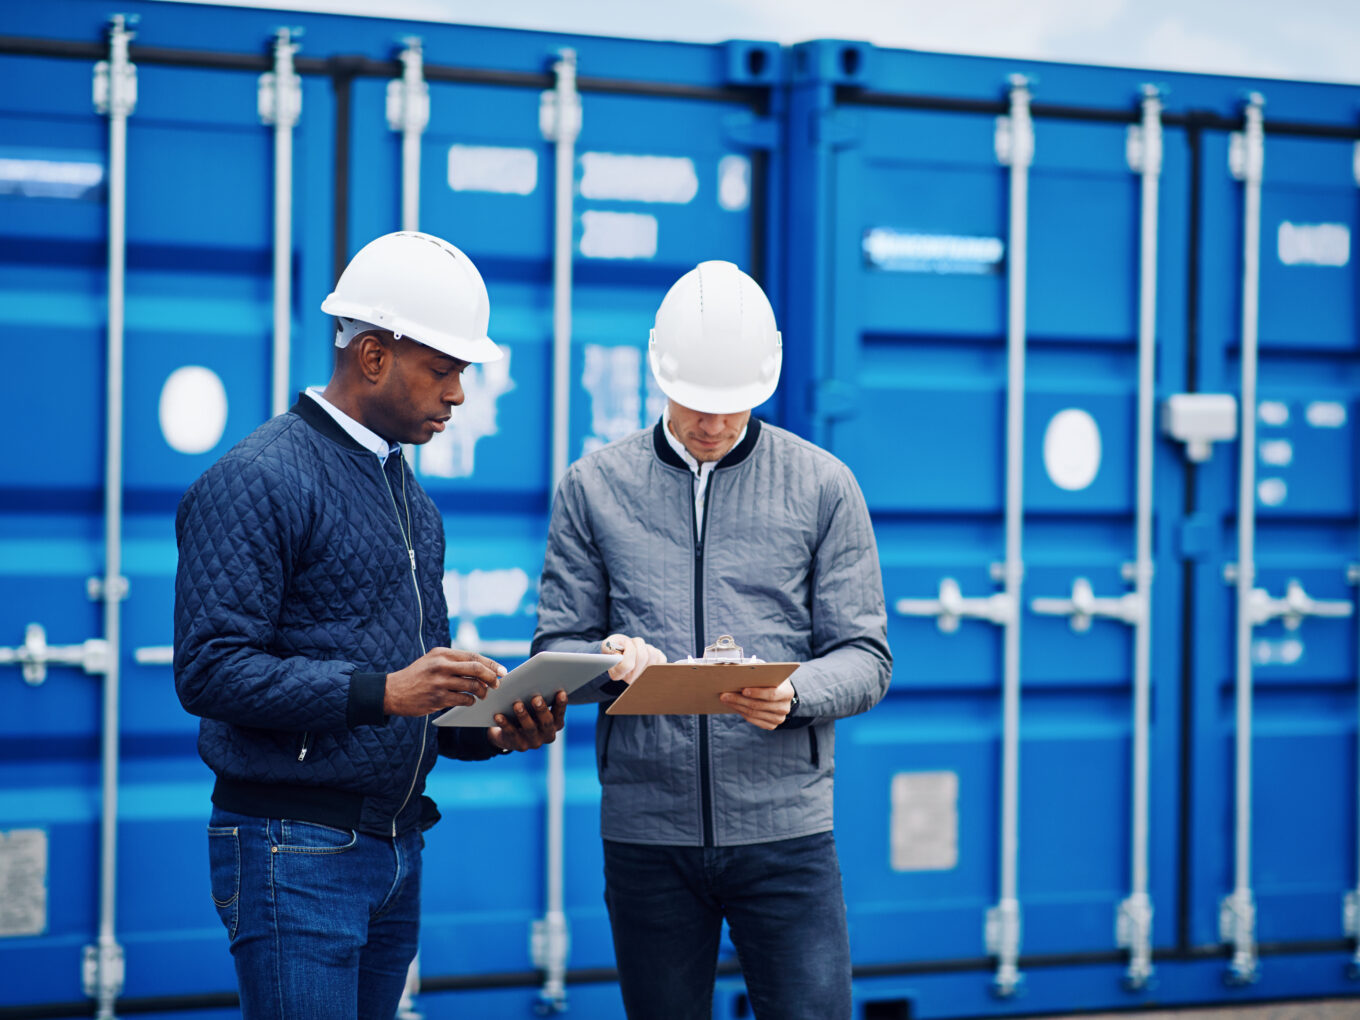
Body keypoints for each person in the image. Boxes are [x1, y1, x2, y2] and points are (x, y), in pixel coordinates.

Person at [174, 230, 566, 1019]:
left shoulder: (409, 497)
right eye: (444, 370)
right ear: (376, 357)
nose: (458, 394)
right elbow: (209, 669)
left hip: (395, 849)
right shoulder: (256, 480)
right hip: (294, 849)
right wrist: (386, 690)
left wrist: (491, 729)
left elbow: (410, 699)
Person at [531, 260, 892, 1020]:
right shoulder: (593, 487)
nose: (713, 423)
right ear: (659, 371)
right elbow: (555, 649)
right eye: (696, 402)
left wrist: (795, 695)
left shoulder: (824, 486)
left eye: (734, 406)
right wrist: (608, 664)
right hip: (646, 835)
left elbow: (866, 656)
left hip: (787, 835)